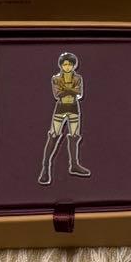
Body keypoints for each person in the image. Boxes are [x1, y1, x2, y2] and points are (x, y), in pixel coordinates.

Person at [37, 52, 91, 183]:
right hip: (60, 108)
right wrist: (71, 90)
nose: (67, 66)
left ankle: (74, 165)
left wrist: (66, 90)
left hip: (74, 108)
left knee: (74, 136)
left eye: (70, 64)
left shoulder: (78, 78)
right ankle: (45, 168)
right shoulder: (56, 78)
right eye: (65, 64)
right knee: (53, 135)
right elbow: (58, 94)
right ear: (61, 65)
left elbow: (79, 93)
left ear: (74, 65)